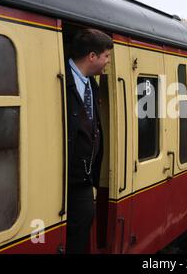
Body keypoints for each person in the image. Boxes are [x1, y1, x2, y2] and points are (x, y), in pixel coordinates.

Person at [65, 28, 113, 254]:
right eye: (106, 56)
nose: (108, 62)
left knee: (84, 223)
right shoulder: (63, 78)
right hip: (68, 180)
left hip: (85, 177)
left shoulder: (91, 84)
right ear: (92, 56)